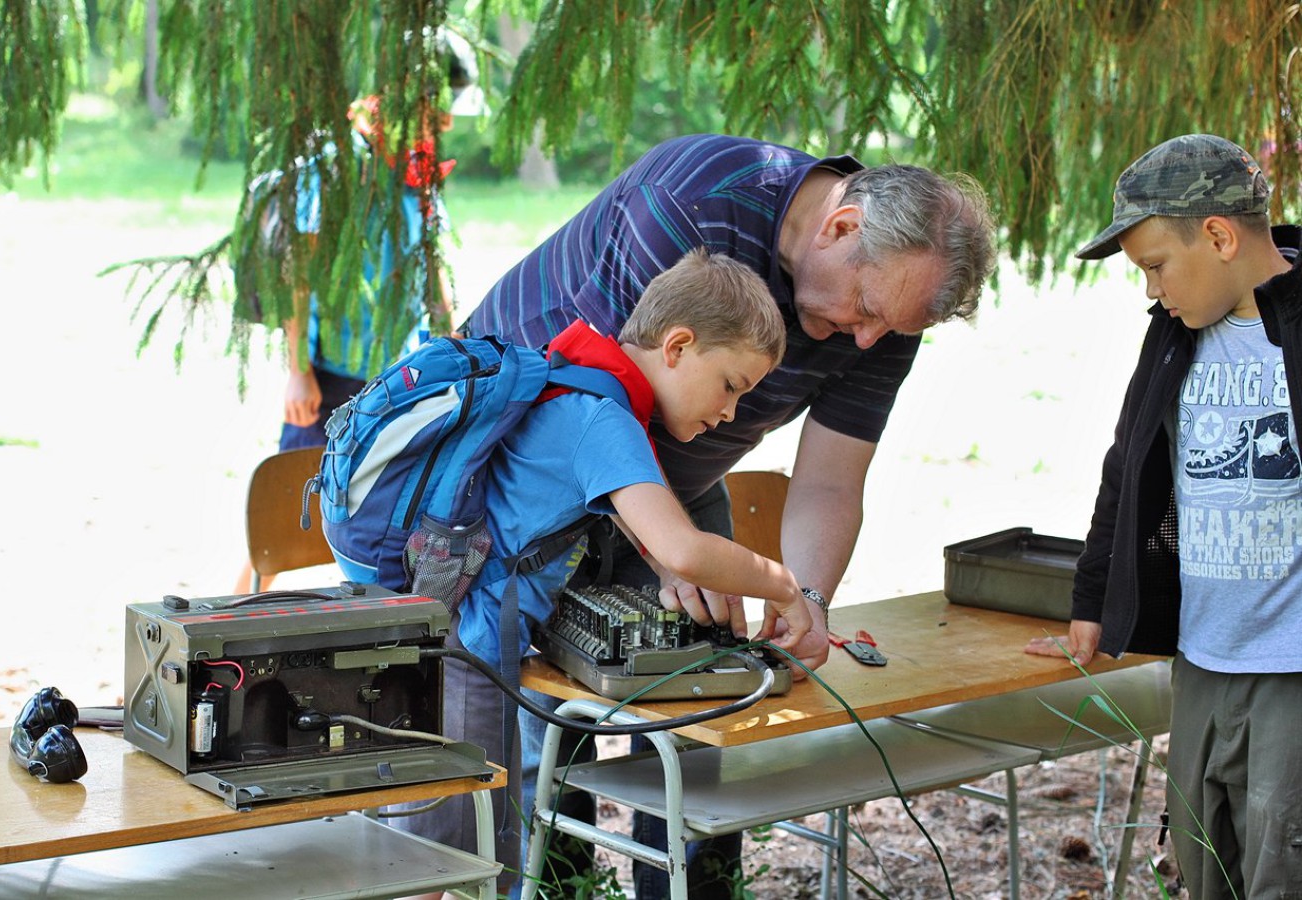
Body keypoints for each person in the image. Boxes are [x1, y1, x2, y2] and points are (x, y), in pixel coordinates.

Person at [465, 132, 997, 898]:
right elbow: (599, 402)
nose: (868, 339)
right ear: (840, 227)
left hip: (675, 483)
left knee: (704, 696)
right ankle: (552, 887)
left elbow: (828, 482)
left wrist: (805, 600)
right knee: (548, 718)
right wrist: (677, 554)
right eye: (866, 310)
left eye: (890, 329)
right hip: (534, 480)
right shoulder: (695, 202)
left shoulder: (885, 316)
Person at [398, 247, 814, 899]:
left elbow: (645, 538)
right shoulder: (604, 420)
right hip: (467, 649)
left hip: (452, 633)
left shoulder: (583, 382)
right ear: (678, 346)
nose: (731, 413)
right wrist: (784, 587)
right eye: (731, 385)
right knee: (448, 858)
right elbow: (683, 549)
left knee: (463, 849)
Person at [1024, 134, 1302, 898]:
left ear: (1217, 236)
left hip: (1290, 670)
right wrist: (1091, 601)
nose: (1150, 290)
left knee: (1282, 867)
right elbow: (1128, 465)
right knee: (1201, 861)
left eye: (1154, 266)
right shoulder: (1173, 335)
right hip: (1201, 658)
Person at [233, 30, 482, 593]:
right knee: (290, 513)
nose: (446, 122)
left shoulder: (417, 172)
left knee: (384, 512)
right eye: (437, 108)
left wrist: (454, 344)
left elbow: (430, 263)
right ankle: (236, 613)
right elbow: (299, 272)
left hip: (398, 375)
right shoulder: (336, 166)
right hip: (330, 374)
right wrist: (298, 371)